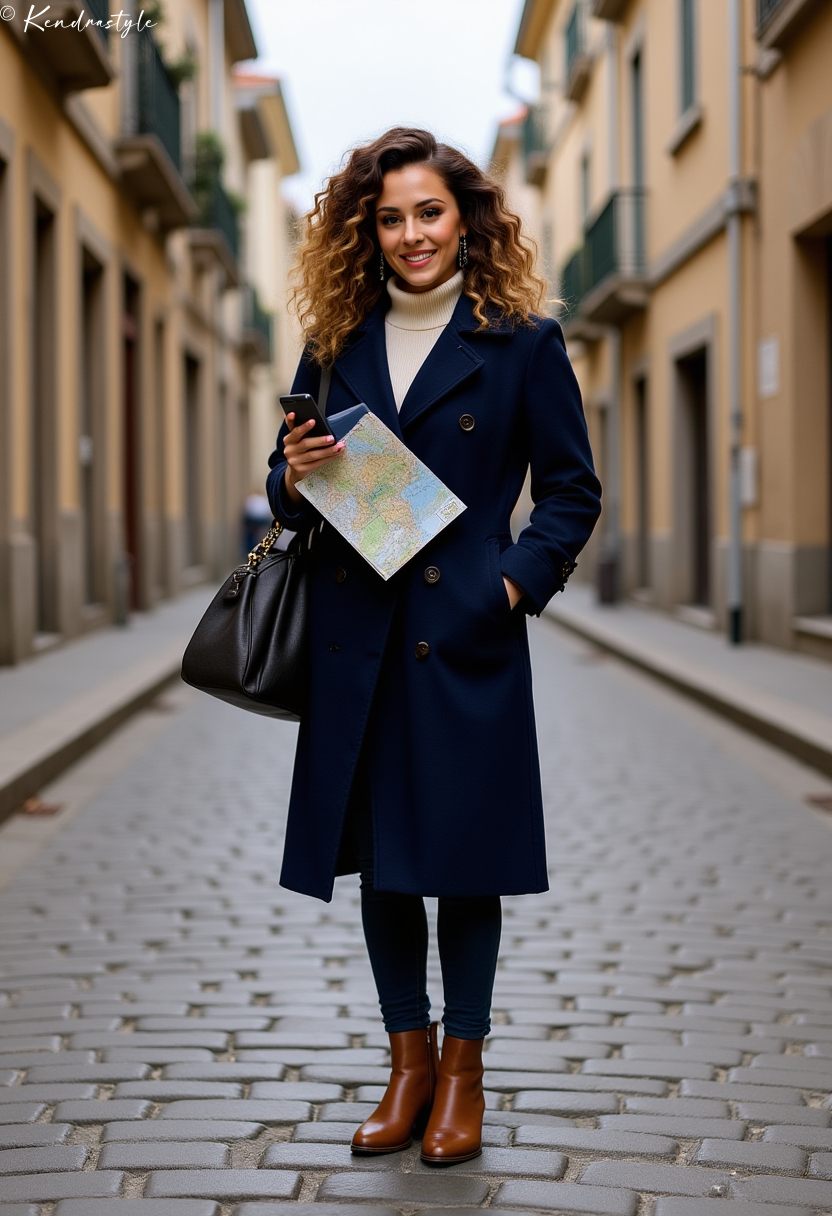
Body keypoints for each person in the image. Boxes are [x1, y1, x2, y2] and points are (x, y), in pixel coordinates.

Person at [266, 127, 601, 1165]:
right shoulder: (338, 337)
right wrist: (295, 464)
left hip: (463, 638)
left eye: (430, 212)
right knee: (385, 870)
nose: (412, 233)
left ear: (466, 220)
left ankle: (463, 1073)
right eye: (391, 215)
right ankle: (405, 1065)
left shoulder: (521, 341)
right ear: (368, 228)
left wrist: (508, 583)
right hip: (358, 638)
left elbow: (572, 493)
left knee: (464, 867)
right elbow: (290, 486)